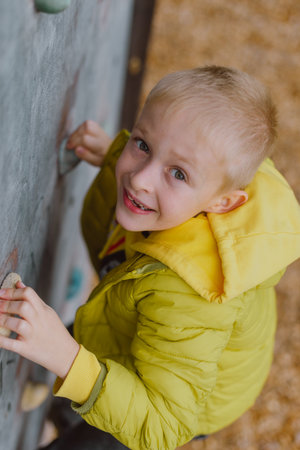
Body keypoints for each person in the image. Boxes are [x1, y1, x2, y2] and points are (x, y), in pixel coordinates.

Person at [0, 66, 300, 450]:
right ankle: (65, 411)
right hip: (143, 334)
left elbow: (162, 423)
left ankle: (71, 417)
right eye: (142, 144)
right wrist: (114, 154)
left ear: (222, 203)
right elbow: (167, 157)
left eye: (177, 173)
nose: (141, 179)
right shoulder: (204, 181)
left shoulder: (193, 296)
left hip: (168, 403)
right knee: (82, 351)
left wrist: (67, 357)